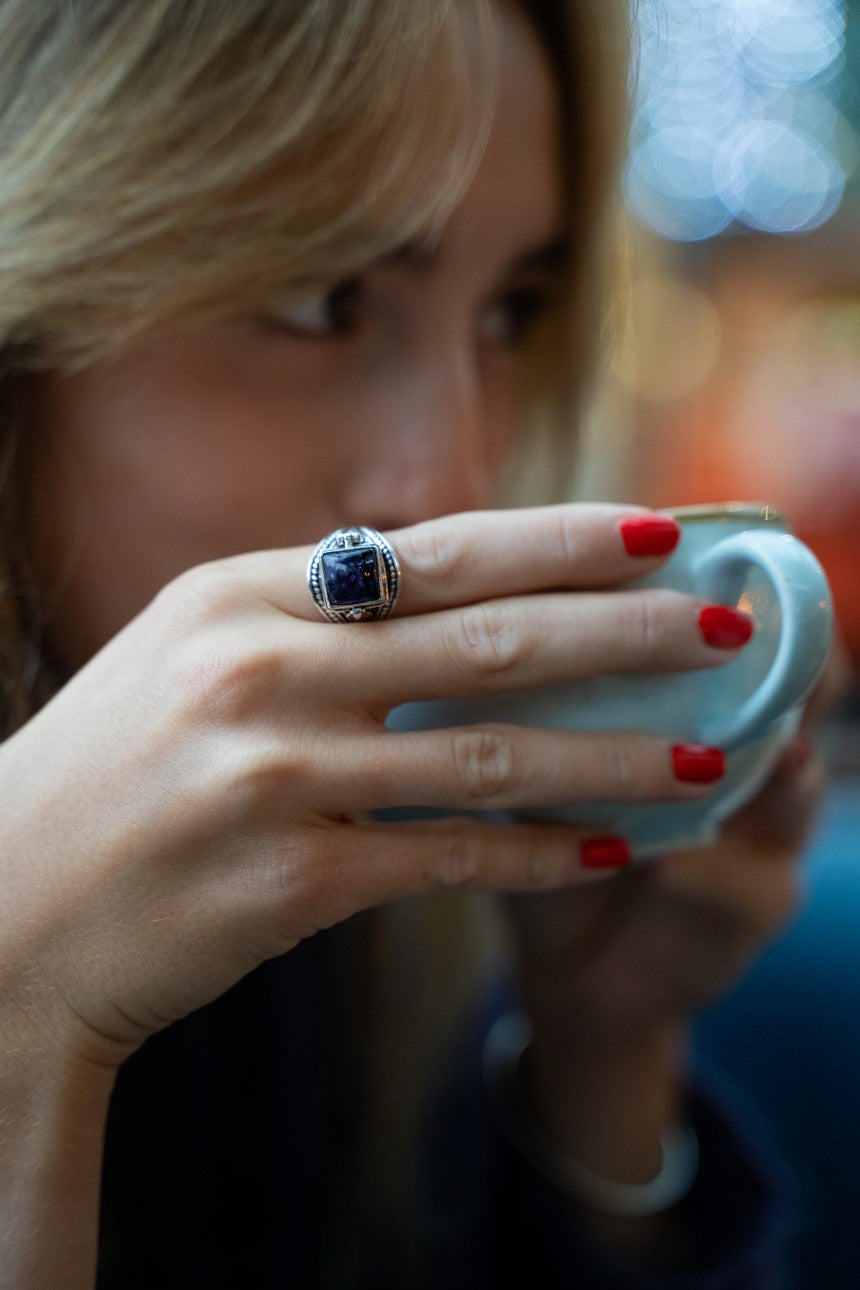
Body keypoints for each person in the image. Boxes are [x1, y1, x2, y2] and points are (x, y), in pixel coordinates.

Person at [0, 1, 827, 1286]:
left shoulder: (350, 896)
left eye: (509, 313)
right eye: (318, 298)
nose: (450, 475)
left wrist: (596, 1066)